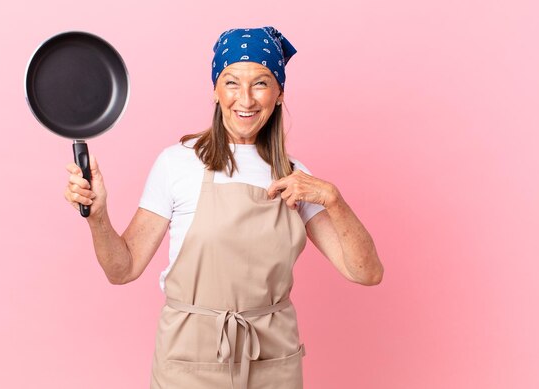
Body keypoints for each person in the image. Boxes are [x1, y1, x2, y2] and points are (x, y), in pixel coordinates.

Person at [64, 26, 383, 389]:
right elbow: (122, 270)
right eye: (231, 82)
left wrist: (332, 198)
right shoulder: (177, 164)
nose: (245, 99)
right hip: (190, 356)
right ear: (215, 91)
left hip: (272, 357)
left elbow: (366, 272)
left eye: (261, 83)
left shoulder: (297, 178)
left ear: (279, 94)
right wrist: (99, 218)